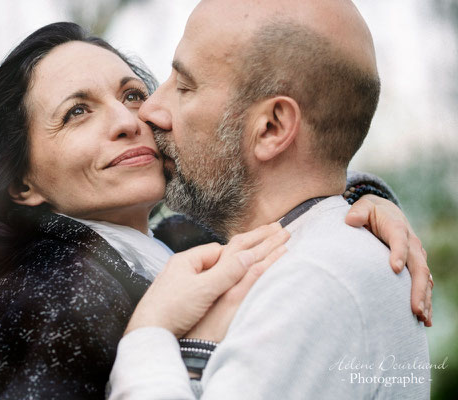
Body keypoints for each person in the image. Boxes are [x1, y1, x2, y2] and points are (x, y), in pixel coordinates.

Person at [0, 21, 430, 400]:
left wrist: (359, 200)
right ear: (23, 182)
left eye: (130, 94)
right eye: (78, 112)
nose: (128, 120)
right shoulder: (36, 301)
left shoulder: (173, 241)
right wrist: (155, 332)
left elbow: (265, 189)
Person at [108, 0, 431, 398]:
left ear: (271, 128)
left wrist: (148, 334)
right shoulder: (324, 258)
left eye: (185, 86)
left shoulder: (308, 285)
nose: (151, 110)